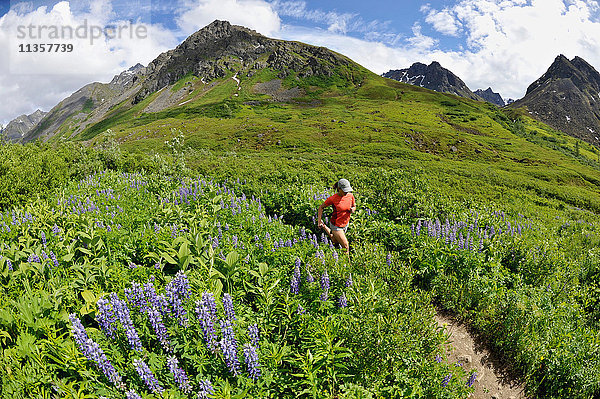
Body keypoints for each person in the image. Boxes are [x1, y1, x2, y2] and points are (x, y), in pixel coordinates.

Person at [317, 178, 356, 258]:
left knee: (335, 240)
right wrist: (319, 220)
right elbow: (321, 207)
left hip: (345, 223)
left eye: (347, 190)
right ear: (339, 189)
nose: (346, 192)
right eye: (344, 190)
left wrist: (353, 209)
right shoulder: (333, 198)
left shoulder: (350, 195)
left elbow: (354, 205)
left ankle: (324, 226)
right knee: (345, 246)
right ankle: (346, 266)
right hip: (336, 225)